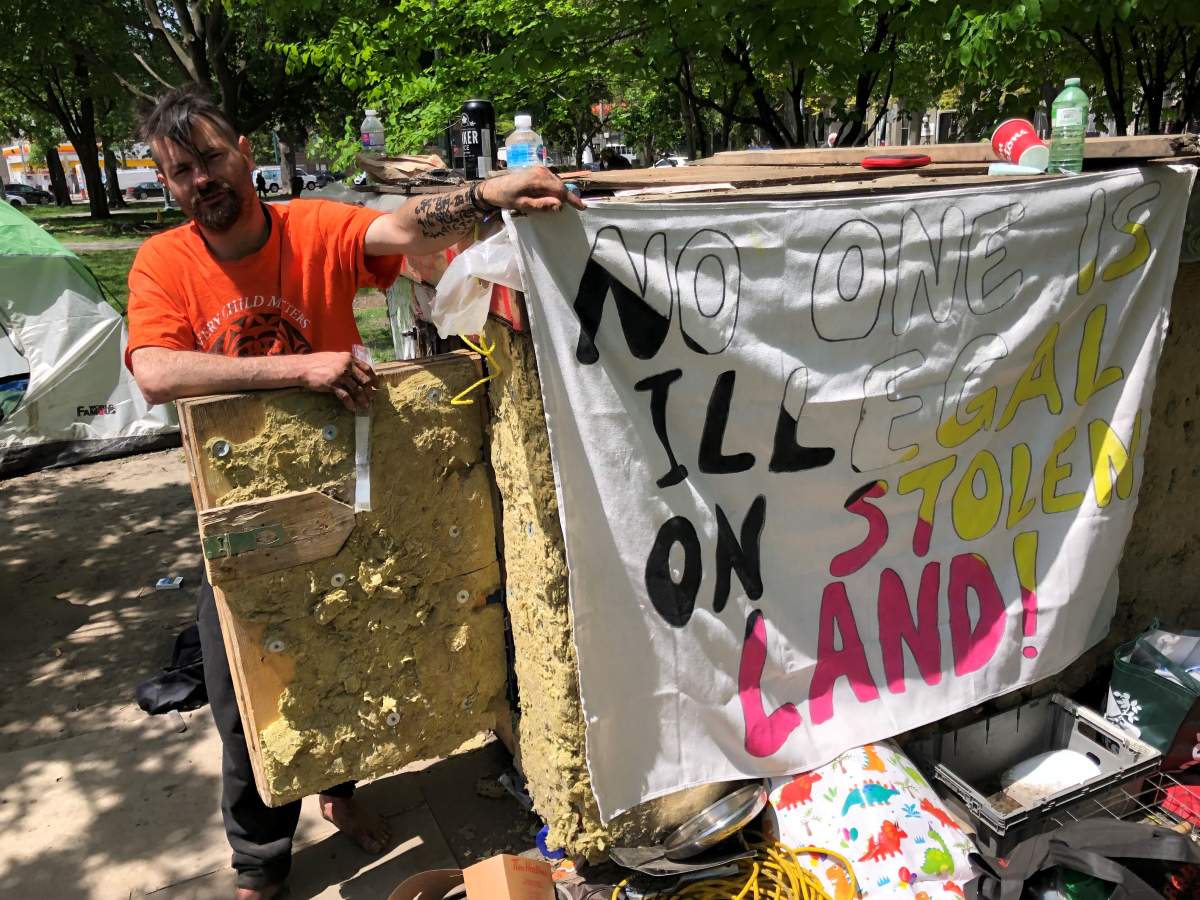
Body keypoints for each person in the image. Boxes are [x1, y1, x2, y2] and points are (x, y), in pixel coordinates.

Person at [125, 85, 584, 900]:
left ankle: (340, 789)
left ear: (244, 152)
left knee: (360, 641)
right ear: (168, 183)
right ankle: (259, 865)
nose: (203, 179)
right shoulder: (165, 261)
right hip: (250, 506)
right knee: (244, 692)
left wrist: (488, 193)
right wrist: (297, 367)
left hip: (352, 482)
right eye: (182, 169)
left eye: (214, 157)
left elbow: (404, 228)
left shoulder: (312, 225)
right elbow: (156, 371)